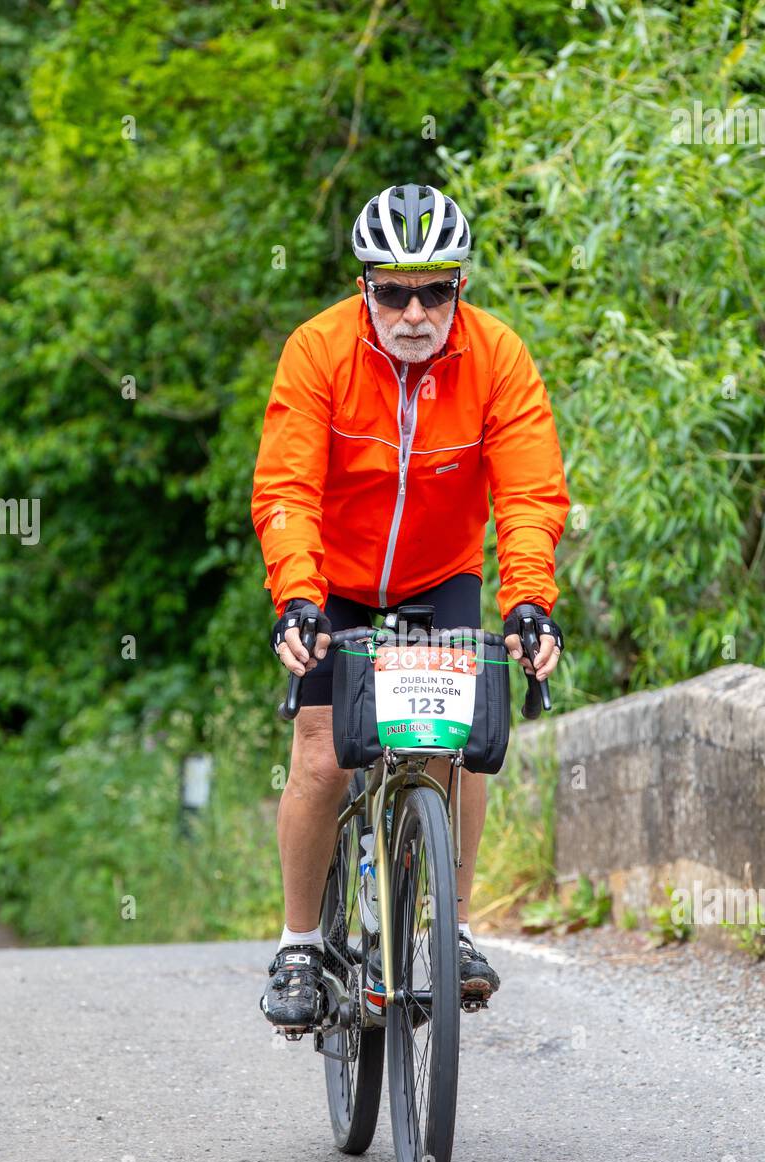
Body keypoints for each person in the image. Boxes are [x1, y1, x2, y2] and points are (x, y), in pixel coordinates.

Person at [252, 182, 569, 1030]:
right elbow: (286, 488)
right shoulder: (318, 352)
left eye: (436, 289)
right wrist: (298, 599)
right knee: (322, 755)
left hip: (439, 576)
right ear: (366, 286)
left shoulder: (498, 357)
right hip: (338, 585)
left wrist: (530, 601)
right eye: (394, 290)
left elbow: (531, 492)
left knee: (446, 745)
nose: (415, 310)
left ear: (459, 287)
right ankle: (298, 946)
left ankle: (452, 924)